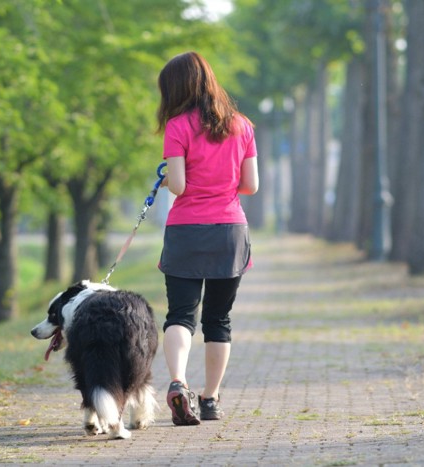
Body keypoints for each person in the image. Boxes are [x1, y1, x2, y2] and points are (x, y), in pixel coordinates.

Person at [156, 51, 259, 426]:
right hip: (229, 231)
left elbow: (179, 186)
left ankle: (178, 383)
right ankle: (211, 399)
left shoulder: (177, 126)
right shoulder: (242, 126)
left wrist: (167, 178)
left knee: (181, 316)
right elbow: (251, 185)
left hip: (186, 230)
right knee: (219, 320)